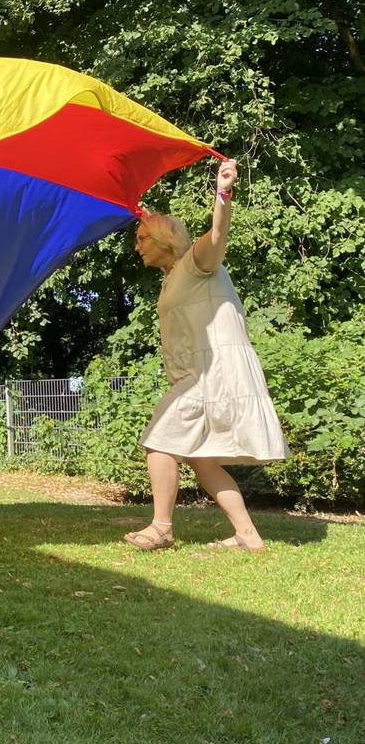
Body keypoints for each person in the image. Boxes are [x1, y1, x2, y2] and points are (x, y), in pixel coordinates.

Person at [124, 158, 289, 553]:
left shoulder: (196, 263)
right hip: (195, 375)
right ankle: (248, 536)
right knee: (203, 460)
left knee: (159, 441)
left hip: (213, 375)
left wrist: (223, 193)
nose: (137, 246)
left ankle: (161, 528)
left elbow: (217, 234)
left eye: (142, 238)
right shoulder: (171, 279)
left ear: (164, 240)